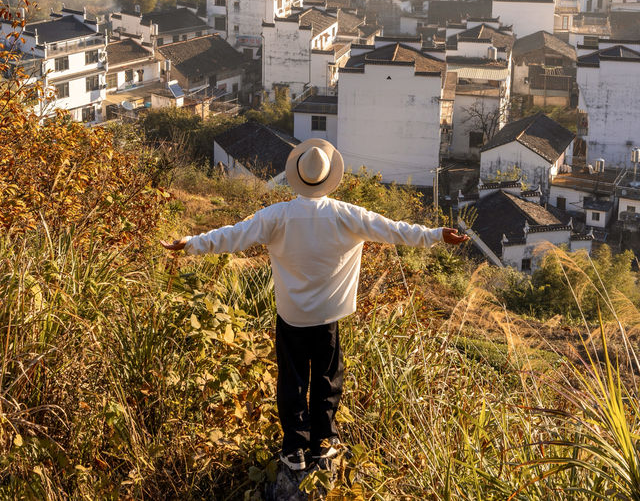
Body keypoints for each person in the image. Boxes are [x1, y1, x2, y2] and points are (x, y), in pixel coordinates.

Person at [161, 138, 468, 473]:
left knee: (292, 380)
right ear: (328, 176)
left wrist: (190, 244)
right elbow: (396, 231)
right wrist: (438, 234)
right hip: (328, 314)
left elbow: (232, 235)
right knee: (327, 378)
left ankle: (294, 448)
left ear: (298, 174)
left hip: (291, 315)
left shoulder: (275, 216)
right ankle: (324, 442)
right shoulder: (347, 215)